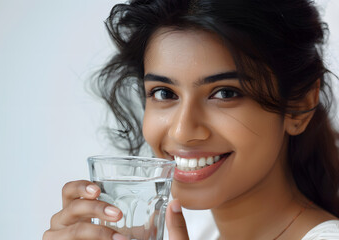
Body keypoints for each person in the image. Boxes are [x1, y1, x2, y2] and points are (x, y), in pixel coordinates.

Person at [43, 0, 339, 239]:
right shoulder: (196, 231)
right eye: (163, 93)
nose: (184, 132)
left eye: (224, 93)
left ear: (299, 106)